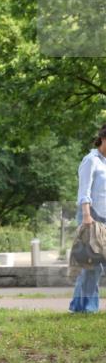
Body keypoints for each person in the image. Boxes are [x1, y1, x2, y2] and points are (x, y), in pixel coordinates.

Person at [69, 124, 106, 313]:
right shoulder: (91, 160)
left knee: (97, 267)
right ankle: (83, 307)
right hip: (91, 217)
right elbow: (84, 190)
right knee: (91, 266)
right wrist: (86, 217)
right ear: (103, 138)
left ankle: (81, 306)